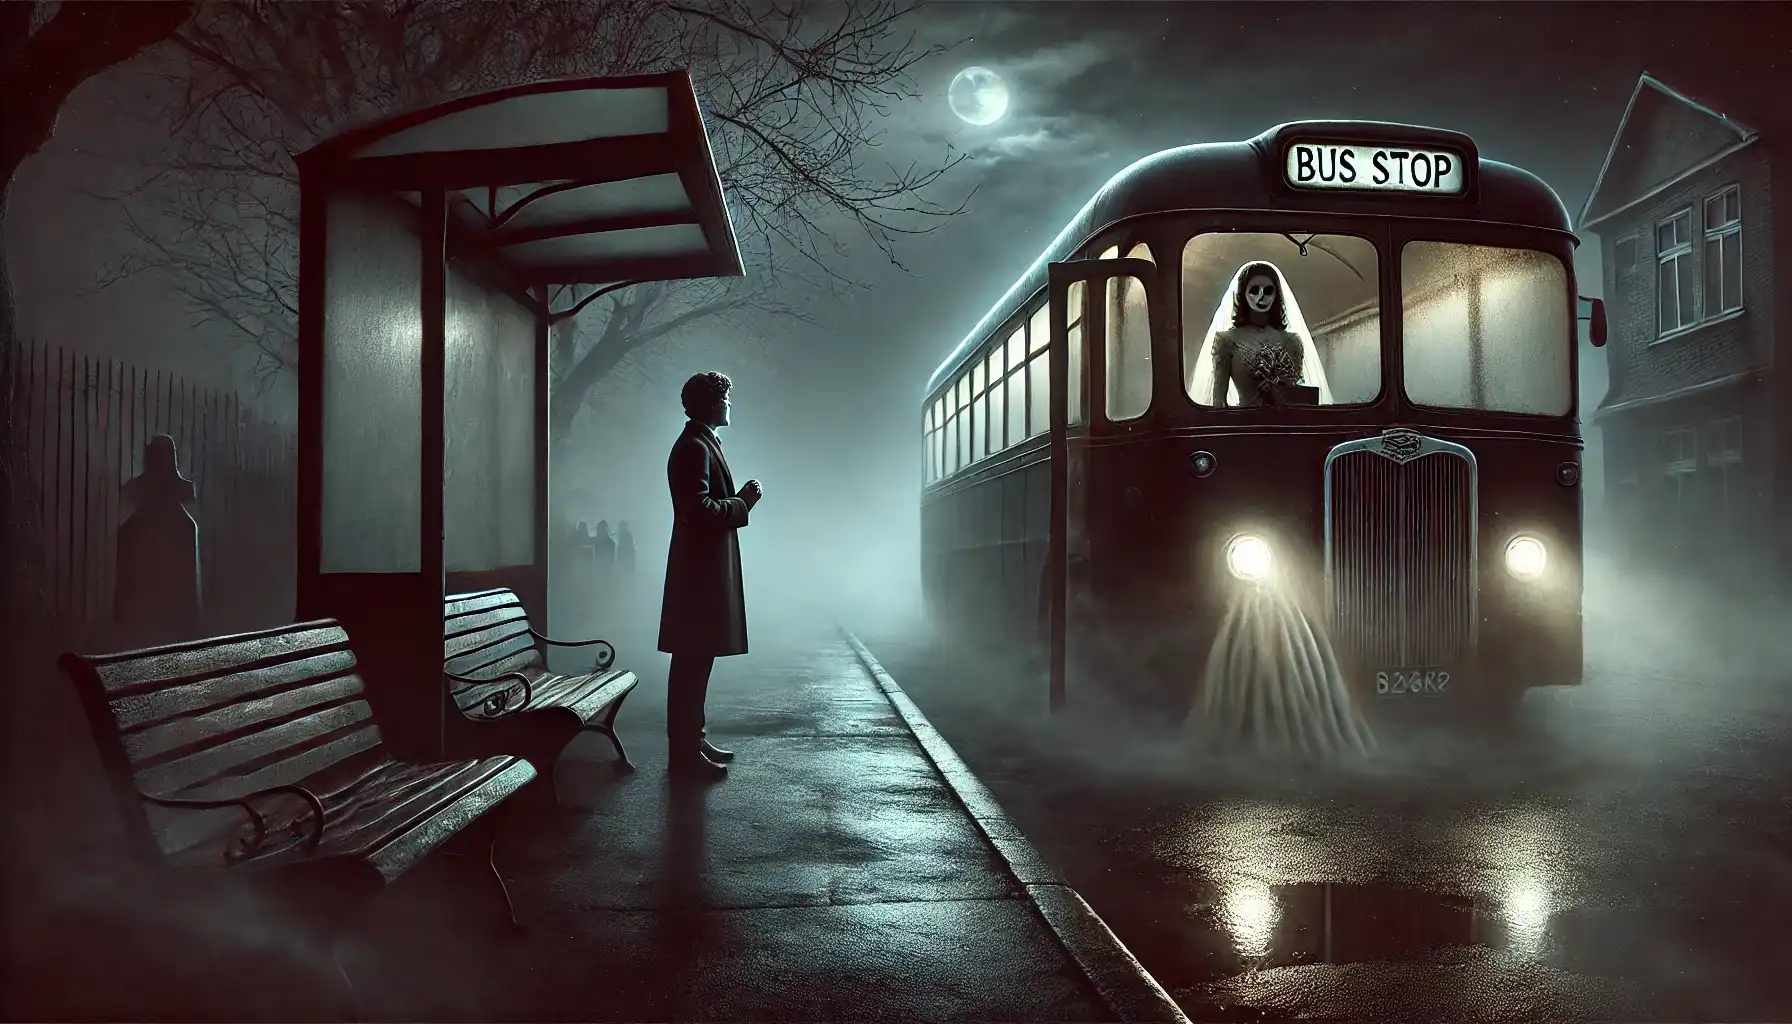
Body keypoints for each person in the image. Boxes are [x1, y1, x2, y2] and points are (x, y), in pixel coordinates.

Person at [658, 371, 763, 780]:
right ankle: (684, 754)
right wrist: (744, 502)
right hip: (699, 576)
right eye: (724, 397)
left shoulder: (698, 443)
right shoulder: (694, 448)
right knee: (691, 663)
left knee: (695, 662)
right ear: (709, 403)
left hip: (700, 573)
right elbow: (699, 510)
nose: (729, 404)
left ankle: (692, 740)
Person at [1207, 261, 1321, 408]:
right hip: (1244, 426)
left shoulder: (1291, 342)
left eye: (1268, 291)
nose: (1261, 296)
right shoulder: (1227, 341)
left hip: (1284, 426)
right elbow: (1219, 402)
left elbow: (1295, 397)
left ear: (1276, 294)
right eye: (1254, 290)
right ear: (1243, 294)